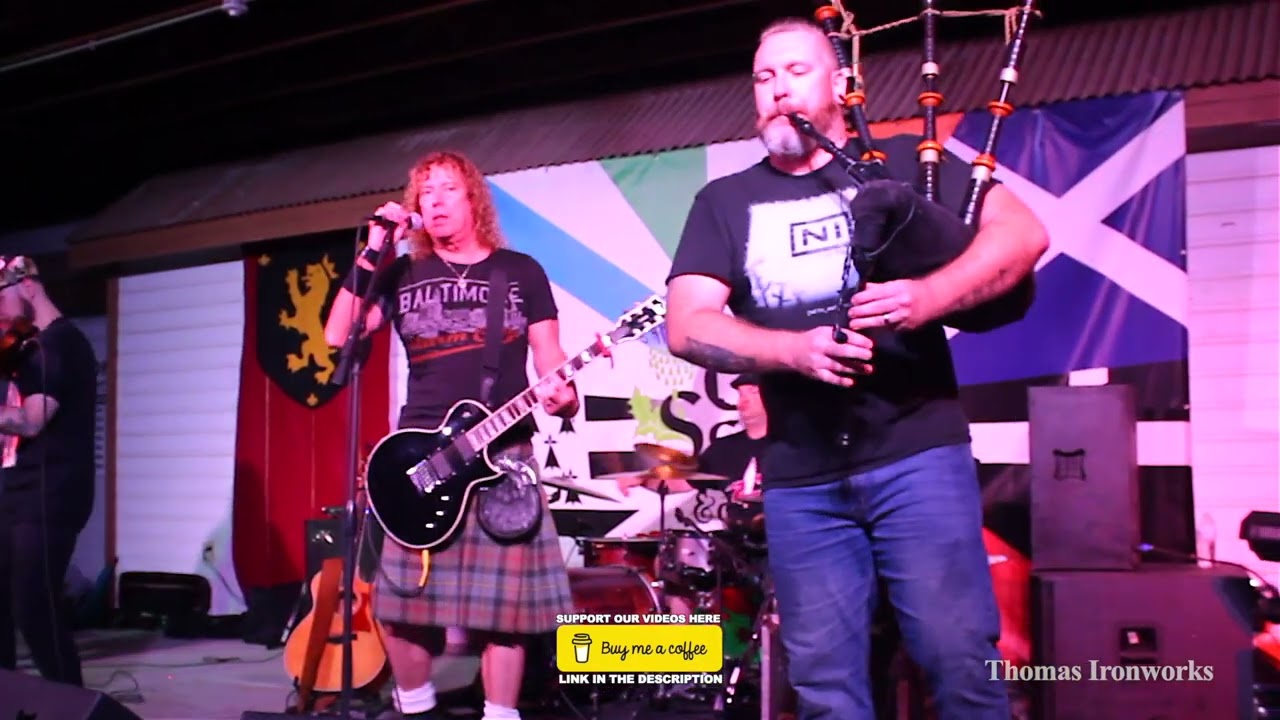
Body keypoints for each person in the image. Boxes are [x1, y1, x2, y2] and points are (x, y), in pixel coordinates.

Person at [663, 16, 1049, 720]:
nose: (778, 90)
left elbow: (1023, 235)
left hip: (917, 456)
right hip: (801, 477)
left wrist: (930, 296)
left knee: (961, 665)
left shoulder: (901, 163)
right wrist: (794, 350)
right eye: (764, 77)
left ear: (841, 84)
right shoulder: (725, 202)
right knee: (825, 690)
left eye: (796, 71)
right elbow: (687, 323)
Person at [323, 150, 580, 720]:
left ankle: (500, 715)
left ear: (473, 200)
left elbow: (550, 356)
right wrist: (374, 247)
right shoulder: (401, 273)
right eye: (425, 193)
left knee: (505, 614)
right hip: (419, 458)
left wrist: (564, 393)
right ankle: (417, 708)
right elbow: (338, 334)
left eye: (447, 189)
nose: (434, 202)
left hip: (502, 454)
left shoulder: (520, 271)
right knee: (399, 606)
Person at [0, 256, 98, 688]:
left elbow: (31, 421)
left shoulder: (59, 345)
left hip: (51, 491)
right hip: (18, 488)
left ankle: (70, 703)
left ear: (27, 287)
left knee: (34, 605)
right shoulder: (26, 346)